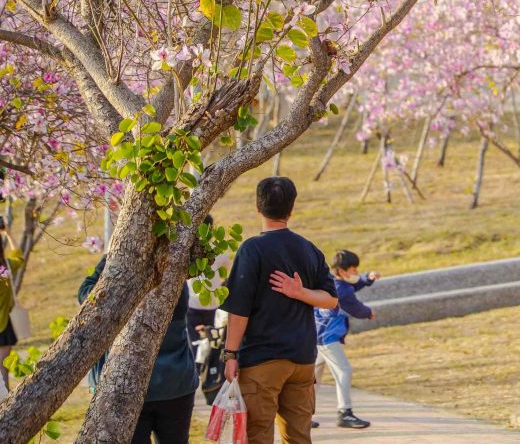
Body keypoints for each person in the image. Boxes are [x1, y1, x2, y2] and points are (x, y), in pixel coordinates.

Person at [221, 177, 339, 444]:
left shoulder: (252, 249)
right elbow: (332, 300)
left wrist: (230, 354)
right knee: (299, 436)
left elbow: (239, 310)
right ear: (292, 208)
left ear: (258, 208)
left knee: (258, 435)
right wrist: (302, 293)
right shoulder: (309, 249)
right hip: (302, 359)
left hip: (263, 360)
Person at [80, 255, 198, 444]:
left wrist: (109, 258)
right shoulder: (176, 276)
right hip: (176, 382)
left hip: (128, 385)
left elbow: (87, 296)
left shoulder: (122, 287)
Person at [313, 250, 378, 429]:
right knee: (344, 371)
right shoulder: (342, 290)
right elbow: (354, 305)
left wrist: (367, 278)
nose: (356, 273)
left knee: (313, 378)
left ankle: (302, 414)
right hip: (327, 337)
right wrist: (368, 313)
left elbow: (353, 285)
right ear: (342, 272)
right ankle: (345, 413)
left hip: (318, 335)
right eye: (353, 269)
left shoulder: (334, 282)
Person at [187, 215, 232, 358]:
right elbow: (226, 270)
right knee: (213, 339)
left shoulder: (188, 250)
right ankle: (212, 372)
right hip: (212, 304)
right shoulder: (219, 250)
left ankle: (197, 371)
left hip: (192, 304)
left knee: (193, 342)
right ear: (212, 229)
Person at [0, 214, 21, 392]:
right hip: (4, 326)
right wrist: (8, 233)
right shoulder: (5, 267)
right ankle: (4, 401)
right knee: (3, 367)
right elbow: (18, 256)